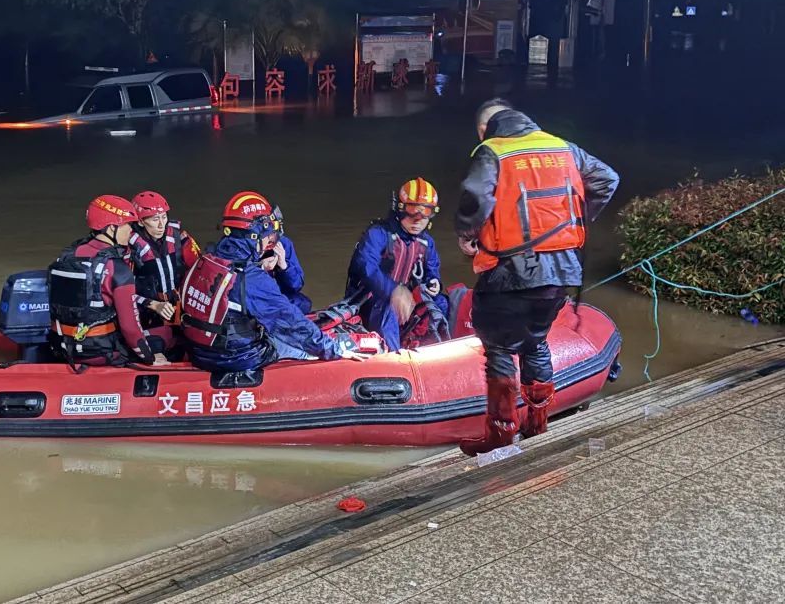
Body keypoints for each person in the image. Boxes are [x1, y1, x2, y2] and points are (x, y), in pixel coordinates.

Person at [455, 99, 619, 456]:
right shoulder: (563, 148)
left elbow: (474, 195)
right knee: (537, 340)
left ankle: (499, 433)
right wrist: (572, 221)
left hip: (509, 271)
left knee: (499, 346)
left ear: (485, 129)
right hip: (561, 270)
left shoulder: (493, 150)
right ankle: (537, 424)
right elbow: (607, 179)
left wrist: (467, 234)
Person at [180, 191, 362, 374]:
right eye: (269, 237)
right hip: (237, 357)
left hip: (199, 351)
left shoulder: (207, 259)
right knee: (306, 353)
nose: (270, 243)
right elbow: (290, 322)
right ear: (254, 235)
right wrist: (333, 350)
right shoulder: (251, 278)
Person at [47, 194, 170, 367]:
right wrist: (149, 358)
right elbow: (130, 328)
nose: (131, 231)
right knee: (169, 334)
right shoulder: (117, 269)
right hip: (100, 352)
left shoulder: (67, 256)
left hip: (60, 346)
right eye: (127, 225)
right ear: (111, 228)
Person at [346, 178, 448, 353]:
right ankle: (394, 356)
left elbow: (432, 270)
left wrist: (434, 282)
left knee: (441, 303)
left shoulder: (426, 242)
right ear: (399, 208)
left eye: (426, 213)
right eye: (412, 211)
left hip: (407, 300)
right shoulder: (378, 234)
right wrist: (393, 291)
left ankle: (437, 350)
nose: (418, 220)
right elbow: (366, 268)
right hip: (370, 301)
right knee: (388, 308)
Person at [128, 190, 200, 334]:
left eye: (164, 217)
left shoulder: (180, 238)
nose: (162, 225)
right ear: (141, 222)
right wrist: (152, 305)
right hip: (146, 314)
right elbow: (118, 293)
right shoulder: (130, 247)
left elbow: (200, 271)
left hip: (182, 310)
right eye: (155, 220)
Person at [268, 205, 311, 313]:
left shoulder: (283, 244)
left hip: (278, 296)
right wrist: (262, 268)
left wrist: (284, 266)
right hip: (256, 296)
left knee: (303, 303)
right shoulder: (246, 249)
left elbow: (296, 285)